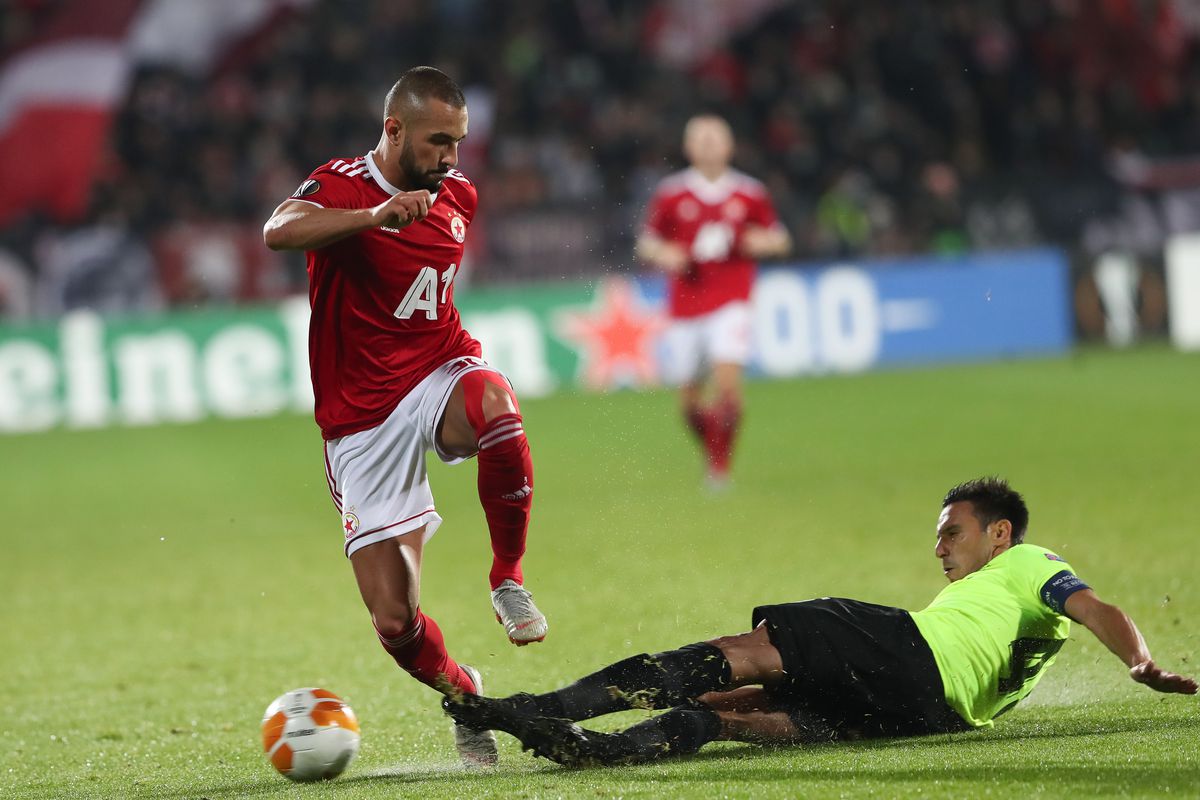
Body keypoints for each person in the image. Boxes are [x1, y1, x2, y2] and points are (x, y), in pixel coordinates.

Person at [444, 477, 1197, 767]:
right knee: (721, 716)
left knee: (736, 656)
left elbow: (1097, 607)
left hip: (909, 651)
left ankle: (534, 710)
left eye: (952, 532)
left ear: (1001, 533)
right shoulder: (1005, 605)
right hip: (929, 717)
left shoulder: (1029, 563)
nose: (939, 547)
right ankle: (596, 755)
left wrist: (1140, 662)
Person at [263, 66, 548, 767]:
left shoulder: (460, 197)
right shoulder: (341, 185)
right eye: (439, 141)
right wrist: (369, 219)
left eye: (460, 141)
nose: (451, 157)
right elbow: (278, 230)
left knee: (498, 410)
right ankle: (467, 694)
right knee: (395, 621)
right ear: (394, 130)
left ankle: (506, 578)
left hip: (437, 369)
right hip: (360, 420)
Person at [635, 114, 792, 488]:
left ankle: (719, 470)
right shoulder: (671, 193)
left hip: (732, 299)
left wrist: (761, 243)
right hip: (686, 305)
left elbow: (780, 238)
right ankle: (714, 452)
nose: (707, 144)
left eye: (715, 138)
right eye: (700, 139)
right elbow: (647, 242)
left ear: (729, 146)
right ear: (688, 147)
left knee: (727, 386)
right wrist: (666, 254)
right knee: (688, 403)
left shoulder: (750, 192)